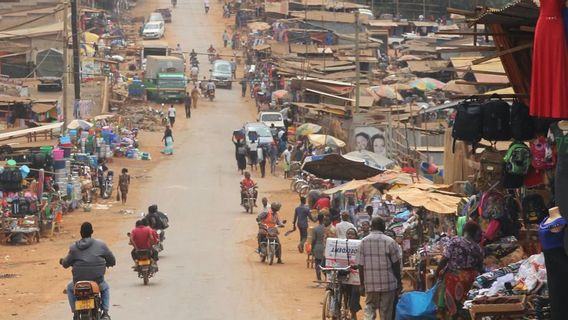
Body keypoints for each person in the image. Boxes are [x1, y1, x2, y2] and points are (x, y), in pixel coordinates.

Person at [60, 222, 115, 320]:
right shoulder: (101, 245)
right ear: (92, 232)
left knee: (69, 288)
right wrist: (109, 263)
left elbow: (65, 264)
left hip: (79, 283)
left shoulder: (73, 247)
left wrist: (62, 261)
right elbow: (112, 260)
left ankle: (75, 311)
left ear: (80, 233)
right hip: (97, 282)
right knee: (105, 288)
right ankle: (105, 313)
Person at [357, 217, 402, 320]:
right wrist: (399, 282)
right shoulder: (390, 242)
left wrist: (362, 284)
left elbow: (360, 265)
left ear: (371, 227)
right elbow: (396, 264)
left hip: (370, 284)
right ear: (383, 227)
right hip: (388, 285)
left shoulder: (363, 242)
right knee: (385, 313)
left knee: (369, 311)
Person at [435, 221, 483, 317]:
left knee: (451, 307)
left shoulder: (455, 241)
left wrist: (438, 272)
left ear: (464, 230)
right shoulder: (478, 248)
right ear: (475, 234)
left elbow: (445, 258)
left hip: (454, 279)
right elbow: (480, 267)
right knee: (466, 307)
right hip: (471, 280)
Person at [311, 213, 326, 287]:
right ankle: (327, 279)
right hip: (325, 247)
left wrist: (312, 248)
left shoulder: (315, 229)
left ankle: (319, 281)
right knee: (325, 264)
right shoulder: (326, 228)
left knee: (317, 264)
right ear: (324, 219)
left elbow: (313, 240)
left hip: (317, 247)